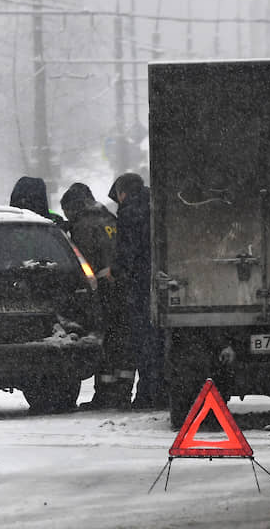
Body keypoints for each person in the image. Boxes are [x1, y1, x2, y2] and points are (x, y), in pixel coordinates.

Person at [60, 183, 134, 410]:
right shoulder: (110, 218)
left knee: (104, 342)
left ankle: (104, 395)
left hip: (102, 291)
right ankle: (122, 394)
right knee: (122, 342)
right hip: (124, 289)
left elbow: (84, 263)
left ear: (75, 206)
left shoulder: (84, 225)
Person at [108, 173, 166, 410]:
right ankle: (161, 391)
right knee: (158, 340)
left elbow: (127, 251)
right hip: (160, 280)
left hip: (140, 284)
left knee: (143, 341)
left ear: (123, 193)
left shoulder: (130, 212)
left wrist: (117, 271)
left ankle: (147, 394)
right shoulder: (156, 202)